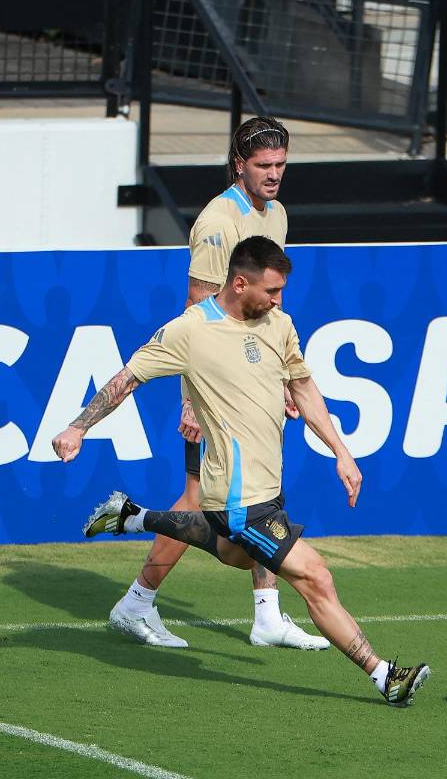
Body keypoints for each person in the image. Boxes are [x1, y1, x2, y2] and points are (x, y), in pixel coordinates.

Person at [52, 236, 430, 706]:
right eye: (271, 291)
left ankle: (135, 516)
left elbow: (305, 389)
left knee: (238, 556)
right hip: (237, 497)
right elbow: (126, 379)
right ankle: (384, 675)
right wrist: (77, 426)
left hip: (268, 487)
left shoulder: (279, 324)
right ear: (239, 282)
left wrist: (341, 451)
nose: (278, 300)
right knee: (315, 576)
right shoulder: (189, 331)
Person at [105, 116, 327, 651]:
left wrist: (278, 381)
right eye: (263, 166)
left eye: (280, 165)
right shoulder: (216, 223)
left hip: (252, 376)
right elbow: (196, 313)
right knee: (195, 496)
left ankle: (267, 615)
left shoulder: (276, 213)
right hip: (212, 388)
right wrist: (190, 400)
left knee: (266, 491)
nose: (274, 175)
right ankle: (135, 603)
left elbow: (269, 306)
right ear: (238, 165)